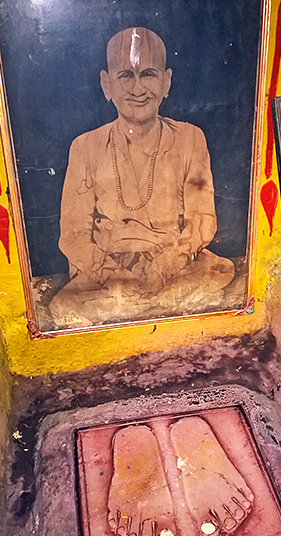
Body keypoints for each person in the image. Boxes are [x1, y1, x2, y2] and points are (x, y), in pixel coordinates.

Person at [49, 27, 234, 327]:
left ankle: (141, 303)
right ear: (107, 84)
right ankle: (149, 303)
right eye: (125, 75)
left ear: (166, 82)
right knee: (64, 306)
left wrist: (164, 268)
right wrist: (112, 276)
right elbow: (73, 236)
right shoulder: (85, 146)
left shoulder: (190, 138)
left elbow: (202, 221)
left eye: (148, 74)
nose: (138, 89)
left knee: (219, 271)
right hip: (108, 271)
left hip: (173, 264)